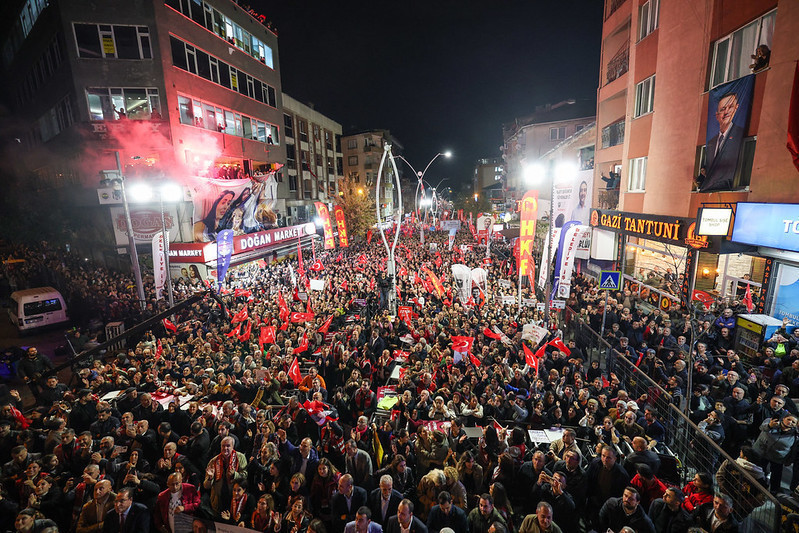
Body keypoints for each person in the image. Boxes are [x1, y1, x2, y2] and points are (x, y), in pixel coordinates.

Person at [704, 91, 745, 192]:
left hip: (731, 186)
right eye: (723, 109)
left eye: (730, 107)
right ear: (717, 115)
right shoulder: (711, 142)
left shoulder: (740, 134)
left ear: (736, 108)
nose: (726, 112)